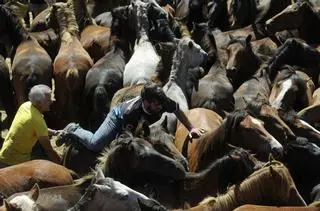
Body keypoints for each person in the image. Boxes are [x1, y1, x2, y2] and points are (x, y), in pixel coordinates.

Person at [58, 82, 206, 152]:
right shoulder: (132, 113)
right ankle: (74, 128)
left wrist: (191, 128)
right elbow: (127, 137)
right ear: (147, 102)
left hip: (138, 124)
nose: (160, 107)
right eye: (156, 104)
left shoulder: (162, 101)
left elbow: (177, 110)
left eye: (161, 103)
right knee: (95, 144)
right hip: (117, 119)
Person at [0, 84, 61, 168]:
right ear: (39, 103)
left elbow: (39, 129)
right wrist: (61, 165)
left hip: (6, 152)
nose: (52, 101)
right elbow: (48, 149)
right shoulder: (37, 120)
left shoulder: (26, 105)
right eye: (48, 99)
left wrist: (54, 132)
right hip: (15, 162)